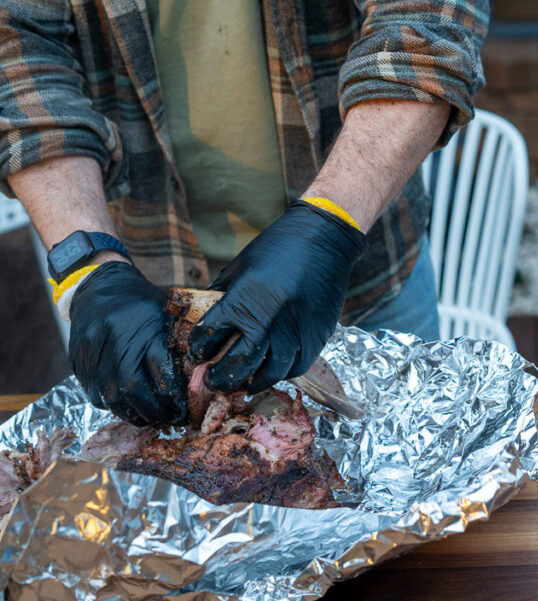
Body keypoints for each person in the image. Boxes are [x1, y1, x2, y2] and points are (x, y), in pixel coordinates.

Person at [0, 1, 489, 427]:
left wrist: (328, 226)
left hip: (359, 275)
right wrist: (88, 263)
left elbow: (425, 21)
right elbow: (17, 47)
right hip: (150, 299)